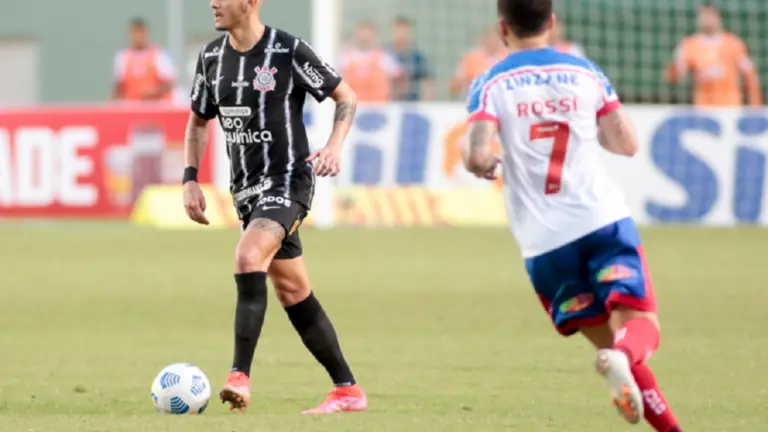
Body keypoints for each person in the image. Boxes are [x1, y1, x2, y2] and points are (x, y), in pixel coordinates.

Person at [464, 1, 683, 431]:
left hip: (544, 245)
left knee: (613, 344)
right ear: (553, 22)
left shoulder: (489, 82)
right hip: (601, 223)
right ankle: (621, 359)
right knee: (638, 333)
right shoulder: (585, 72)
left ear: (502, 27)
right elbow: (627, 144)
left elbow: (475, 154)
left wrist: (485, 163)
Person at [182, 0, 366, 415]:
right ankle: (347, 390)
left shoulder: (287, 50)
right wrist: (190, 178)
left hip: (288, 183)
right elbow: (197, 121)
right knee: (292, 290)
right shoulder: (211, 57)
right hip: (246, 193)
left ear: (250, 2)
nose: (212, 3)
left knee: (249, 257)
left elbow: (346, 96)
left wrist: (334, 146)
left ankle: (238, 377)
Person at [666, 3, 761, 106]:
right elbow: (674, 76)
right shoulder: (689, 45)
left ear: (718, 18)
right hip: (703, 107)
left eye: (711, 15)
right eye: (704, 16)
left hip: (730, 106)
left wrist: (755, 106)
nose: (707, 20)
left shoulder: (734, 44)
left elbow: (750, 76)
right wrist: (676, 65)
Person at [113, 18, 176, 102]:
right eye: (135, 32)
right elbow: (118, 87)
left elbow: (169, 84)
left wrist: (155, 92)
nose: (138, 36)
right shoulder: (122, 57)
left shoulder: (159, 55)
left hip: (155, 107)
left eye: (141, 32)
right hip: (132, 108)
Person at [338, 21, 402, 102]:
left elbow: (399, 79)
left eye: (367, 36)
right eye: (362, 35)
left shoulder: (384, 57)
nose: (364, 38)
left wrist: (394, 100)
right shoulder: (345, 59)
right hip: (353, 107)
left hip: (377, 109)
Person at [449, 26, 508, 98]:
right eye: (489, 38)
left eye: (494, 38)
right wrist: (458, 83)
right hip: (478, 101)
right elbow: (455, 86)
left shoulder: (508, 57)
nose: (492, 41)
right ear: (484, 39)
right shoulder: (472, 57)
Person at [390, 16, 435, 101]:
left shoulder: (417, 57)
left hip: (411, 104)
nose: (401, 35)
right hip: (388, 105)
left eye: (404, 31)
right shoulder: (385, 55)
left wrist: (427, 104)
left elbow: (428, 82)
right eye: (398, 31)